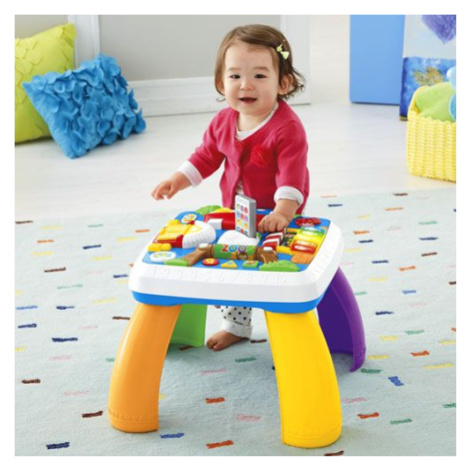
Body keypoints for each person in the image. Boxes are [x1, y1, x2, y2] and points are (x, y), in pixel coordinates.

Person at [151, 24, 310, 351]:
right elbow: (206, 155)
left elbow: (292, 175)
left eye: (259, 76)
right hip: (236, 214)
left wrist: (283, 213)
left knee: (272, 272)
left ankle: (287, 327)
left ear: (283, 83)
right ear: (221, 83)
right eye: (235, 76)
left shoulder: (287, 128)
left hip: (276, 217)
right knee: (232, 267)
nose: (245, 85)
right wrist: (178, 179)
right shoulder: (224, 121)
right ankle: (237, 325)